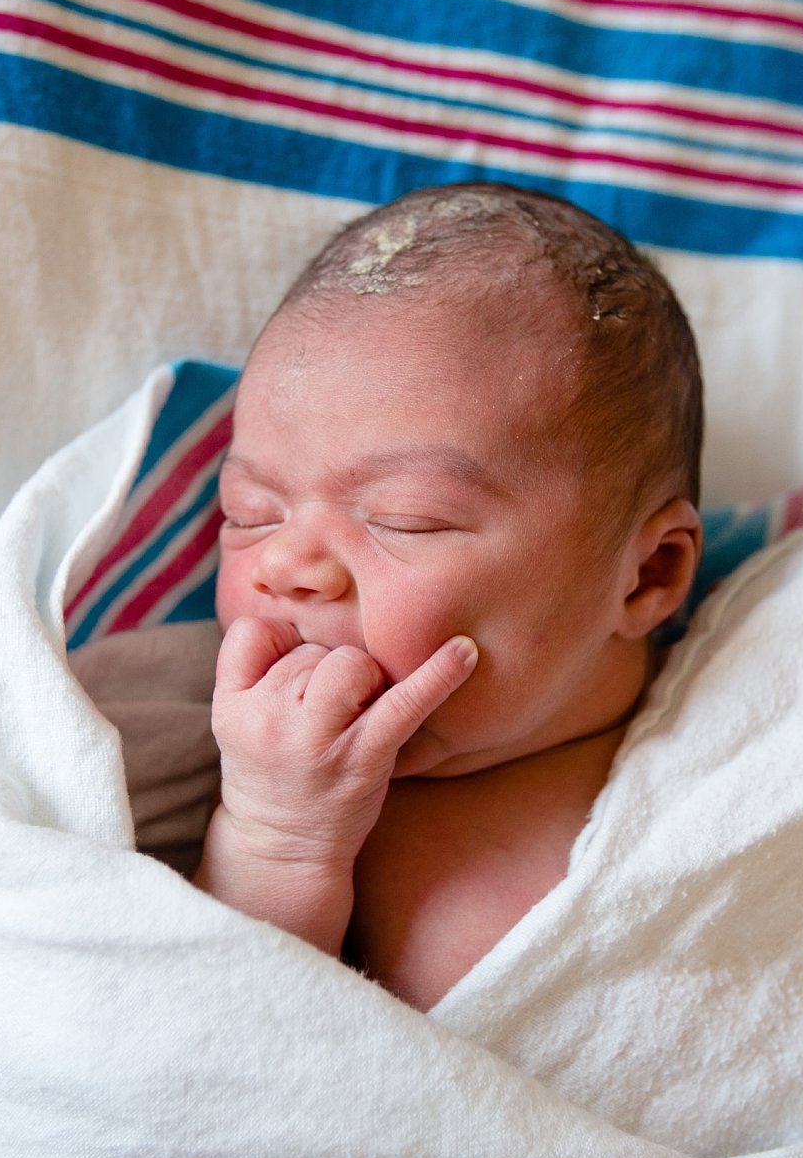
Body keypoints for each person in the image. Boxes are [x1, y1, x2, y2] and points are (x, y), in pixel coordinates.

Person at [194, 182, 705, 1010]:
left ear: (647, 575)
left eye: (408, 519)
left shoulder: (753, 720)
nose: (285, 563)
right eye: (249, 513)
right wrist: (277, 842)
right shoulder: (279, 796)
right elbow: (212, 1052)